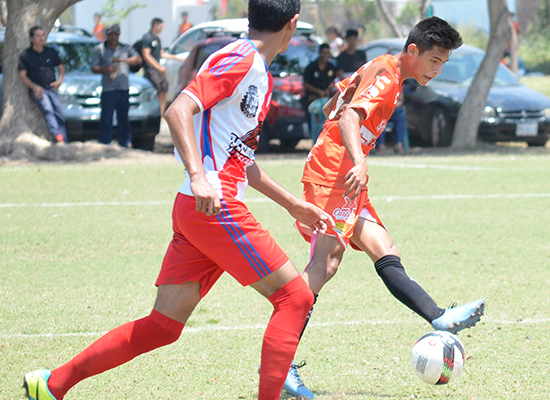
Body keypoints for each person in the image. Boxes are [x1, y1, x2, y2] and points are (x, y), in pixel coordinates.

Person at [21, 1, 335, 400]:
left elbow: (242, 159)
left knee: (163, 326)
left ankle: (53, 383)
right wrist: (198, 175)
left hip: (200, 208)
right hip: (213, 207)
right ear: (293, 23)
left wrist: (291, 203)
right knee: (295, 297)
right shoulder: (240, 58)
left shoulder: (256, 68)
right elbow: (178, 109)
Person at [288, 17, 485, 397]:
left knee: (384, 248)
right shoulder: (387, 73)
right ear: (413, 51)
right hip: (335, 176)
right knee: (323, 265)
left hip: (344, 178)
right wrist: (358, 159)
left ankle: (439, 316)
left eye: (443, 63)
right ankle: (279, 361)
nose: (437, 69)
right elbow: (347, 114)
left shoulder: (383, 70)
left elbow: (335, 102)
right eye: (433, 60)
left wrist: (349, 151)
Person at [91, 24, 141, 147]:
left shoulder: (125, 48)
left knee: (123, 117)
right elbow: (94, 67)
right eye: (111, 35)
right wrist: (106, 69)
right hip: (108, 89)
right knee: (107, 118)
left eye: (116, 34)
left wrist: (123, 61)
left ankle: (124, 142)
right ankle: (105, 142)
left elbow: (138, 59)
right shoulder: (100, 49)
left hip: (123, 88)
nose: (113, 37)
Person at [18, 26, 67, 143]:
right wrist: (34, 87)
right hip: (38, 90)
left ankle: (64, 140)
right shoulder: (26, 55)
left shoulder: (51, 52)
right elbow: (22, 76)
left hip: (51, 89)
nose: (41, 38)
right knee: (48, 109)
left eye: (43, 35)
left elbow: (61, 68)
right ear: (31, 39)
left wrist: (59, 81)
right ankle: (57, 136)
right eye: (38, 36)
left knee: (59, 112)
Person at [140, 18, 177, 116]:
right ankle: (153, 114)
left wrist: (177, 57)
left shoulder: (157, 39)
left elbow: (161, 53)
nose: (162, 29)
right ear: (155, 25)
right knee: (156, 90)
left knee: (163, 88)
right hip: (151, 70)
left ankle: (161, 114)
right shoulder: (147, 38)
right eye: (161, 26)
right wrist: (158, 67)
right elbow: (147, 55)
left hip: (158, 71)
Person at [302, 43, 337, 144]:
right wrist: (318, 92)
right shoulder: (311, 67)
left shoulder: (331, 67)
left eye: (328, 53)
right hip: (314, 96)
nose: (326, 56)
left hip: (326, 96)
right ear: (319, 53)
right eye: (323, 53)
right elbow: (306, 84)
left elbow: (333, 81)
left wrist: (327, 90)